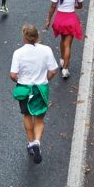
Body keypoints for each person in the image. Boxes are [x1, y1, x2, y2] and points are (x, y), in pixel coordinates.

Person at [10, 24, 58, 164]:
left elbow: (13, 75)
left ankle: (31, 143)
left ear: (24, 37)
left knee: (27, 115)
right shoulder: (46, 50)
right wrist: (45, 80)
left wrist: (19, 80)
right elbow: (53, 70)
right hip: (40, 88)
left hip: (25, 88)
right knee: (39, 118)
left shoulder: (18, 53)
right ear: (37, 36)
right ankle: (37, 142)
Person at [44, 0, 84, 80]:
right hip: (71, 20)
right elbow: (80, 5)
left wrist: (48, 20)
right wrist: (74, 5)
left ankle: (62, 60)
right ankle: (65, 69)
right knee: (68, 45)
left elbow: (53, 6)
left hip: (59, 20)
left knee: (62, 40)